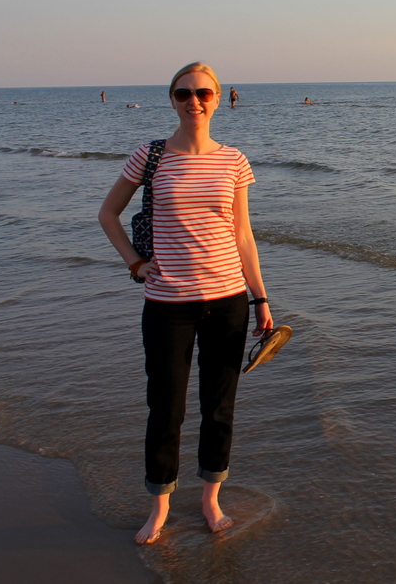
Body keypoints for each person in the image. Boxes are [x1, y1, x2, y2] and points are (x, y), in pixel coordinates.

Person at [98, 62, 272, 545]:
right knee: (165, 406)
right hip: (167, 303)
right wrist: (135, 263)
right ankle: (159, 507)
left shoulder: (234, 161)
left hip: (229, 300)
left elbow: (243, 236)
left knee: (219, 407)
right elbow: (108, 213)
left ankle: (210, 500)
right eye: (183, 93)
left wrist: (260, 297)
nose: (193, 101)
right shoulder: (150, 156)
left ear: (219, 99)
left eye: (203, 93)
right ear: (171, 99)